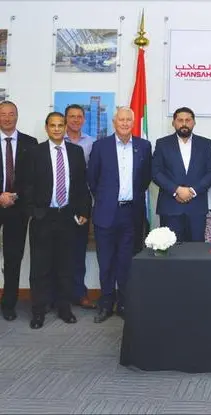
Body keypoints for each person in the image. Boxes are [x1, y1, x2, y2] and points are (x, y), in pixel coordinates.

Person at [22, 112, 91, 329]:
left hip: (67, 217)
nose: (57, 129)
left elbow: (81, 185)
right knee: (40, 268)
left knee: (65, 266)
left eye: (61, 125)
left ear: (65, 127)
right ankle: (38, 311)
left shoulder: (76, 152)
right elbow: (26, 184)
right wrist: (33, 211)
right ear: (47, 128)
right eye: (53, 125)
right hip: (43, 217)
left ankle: (64, 308)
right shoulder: (35, 152)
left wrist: (84, 210)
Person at [88, 107, 152, 323]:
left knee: (126, 261)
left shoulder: (143, 146)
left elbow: (145, 179)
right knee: (106, 262)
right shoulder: (100, 146)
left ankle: (124, 303)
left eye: (128, 120)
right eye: (121, 120)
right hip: (106, 213)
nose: (125, 123)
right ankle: (106, 304)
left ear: (133, 123)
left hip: (130, 214)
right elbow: (92, 179)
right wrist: (106, 199)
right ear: (114, 122)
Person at [152, 107, 211, 242]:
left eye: (188, 120)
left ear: (194, 122)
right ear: (173, 123)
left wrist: (192, 191)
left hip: (197, 208)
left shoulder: (205, 144)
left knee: (196, 250)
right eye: (180, 120)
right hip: (170, 207)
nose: (184, 124)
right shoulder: (162, 144)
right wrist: (176, 190)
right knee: (170, 249)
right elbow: (156, 172)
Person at [0, 101, 38, 322]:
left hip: (18, 207)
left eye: (11, 114)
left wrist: (13, 196)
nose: (7, 118)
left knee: (13, 258)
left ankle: (9, 303)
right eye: (3, 114)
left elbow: (33, 178)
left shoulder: (30, 143)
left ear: (17, 116)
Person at [62, 104, 97, 309]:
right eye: (71, 116)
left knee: (77, 252)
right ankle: (56, 296)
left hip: (81, 203)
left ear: (84, 119)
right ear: (65, 119)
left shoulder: (92, 143)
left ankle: (79, 293)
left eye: (79, 116)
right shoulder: (56, 140)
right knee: (56, 252)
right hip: (56, 204)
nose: (75, 120)